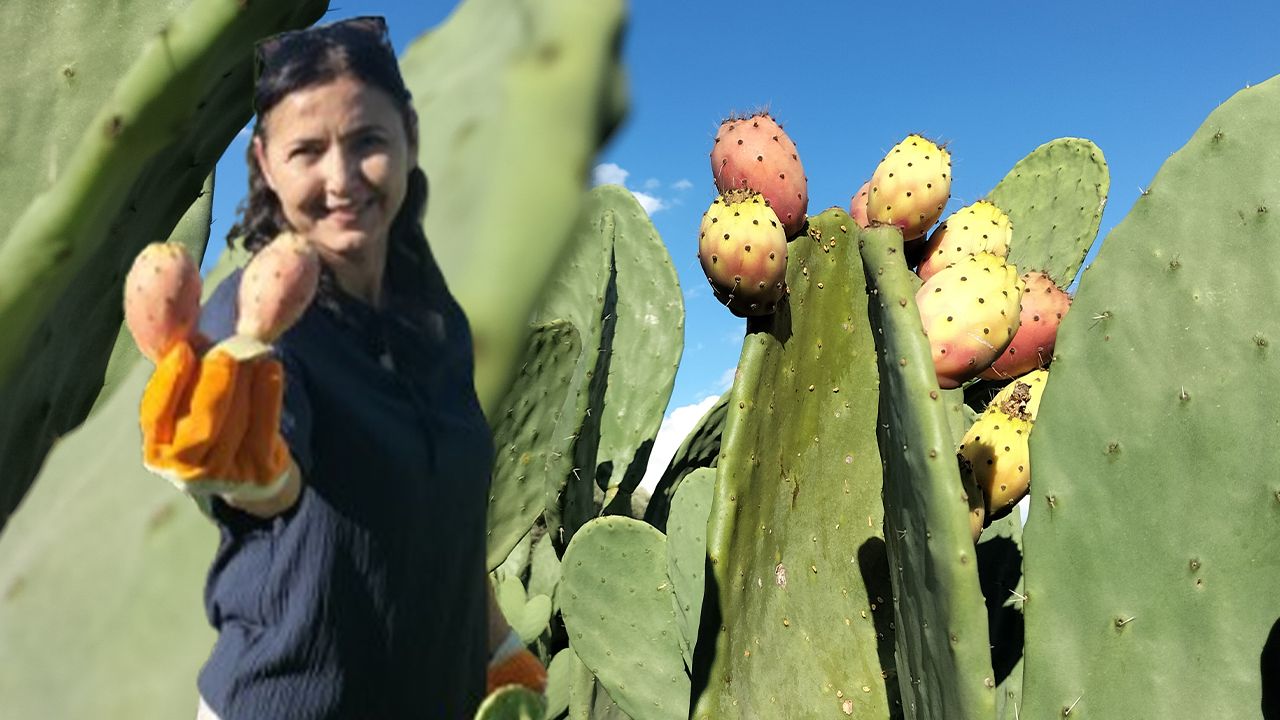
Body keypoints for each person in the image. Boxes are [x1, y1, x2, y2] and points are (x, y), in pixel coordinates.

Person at [136, 16, 546, 719]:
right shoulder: (253, 318)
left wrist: (497, 646)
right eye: (307, 150)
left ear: (410, 137)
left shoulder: (438, 323)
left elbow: (436, 516)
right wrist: (245, 466)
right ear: (265, 164)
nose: (341, 178)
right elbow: (270, 484)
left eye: (367, 142)